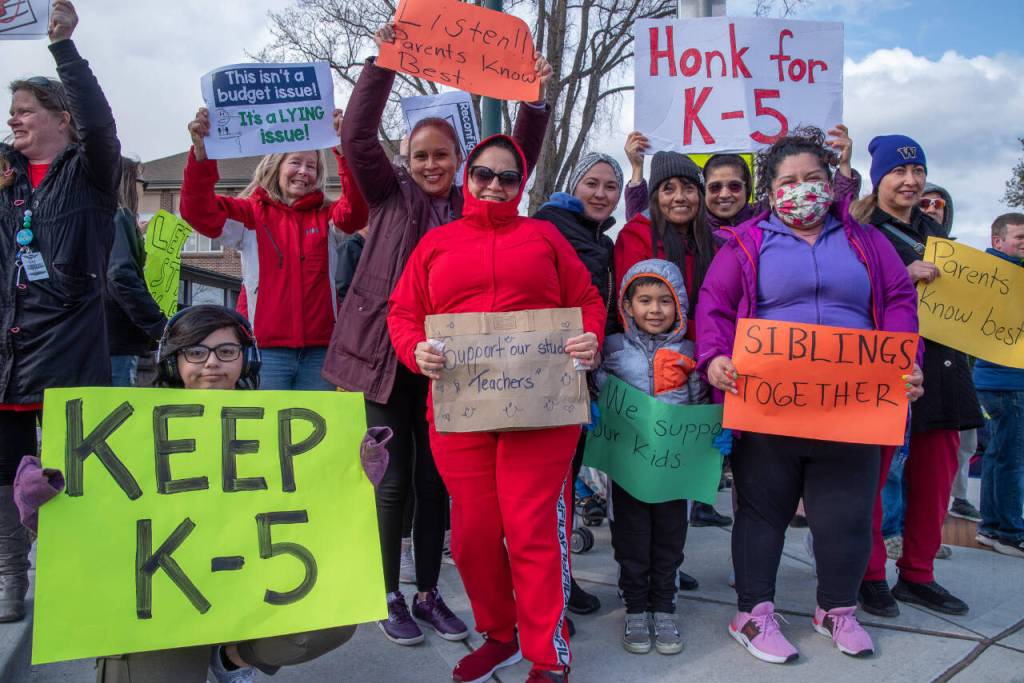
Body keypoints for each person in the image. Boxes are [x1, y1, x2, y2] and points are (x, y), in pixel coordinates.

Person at [323, 20, 553, 649]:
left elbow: (519, 159)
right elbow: (355, 134)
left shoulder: (474, 204)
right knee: (392, 480)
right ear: (405, 160)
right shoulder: (387, 195)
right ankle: (385, 592)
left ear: (460, 162)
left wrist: (533, 101)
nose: (431, 164)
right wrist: (383, 61)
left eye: (442, 156)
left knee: (436, 486)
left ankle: (428, 592)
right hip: (383, 359)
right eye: (420, 155)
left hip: (458, 368)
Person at [696, 127, 923, 664]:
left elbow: (896, 297)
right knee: (761, 510)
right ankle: (752, 613)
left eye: (814, 178)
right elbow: (715, 306)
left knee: (843, 512)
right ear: (771, 191)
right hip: (769, 403)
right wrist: (714, 357)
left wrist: (902, 358)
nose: (803, 189)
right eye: (790, 181)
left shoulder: (866, 242)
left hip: (853, 406)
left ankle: (837, 609)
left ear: (831, 184)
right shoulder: (747, 243)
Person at [387, 134, 606, 683]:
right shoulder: (437, 244)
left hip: (543, 410)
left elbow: (588, 302)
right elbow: (402, 313)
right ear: (468, 176)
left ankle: (546, 655)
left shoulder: (545, 237)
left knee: (531, 529)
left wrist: (589, 338)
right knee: (472, 535)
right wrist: (415, 350)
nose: (495, 185)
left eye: (508, 177)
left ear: (521, 184)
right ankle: (501, 634)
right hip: (464, 411)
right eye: (485, 173)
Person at [0, 0, 121, 623]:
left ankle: (77, 577)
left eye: (24, 110)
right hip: (8, 348)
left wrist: (63, 48)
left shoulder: (89, 170)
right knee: (3, 473)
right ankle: (10, 577)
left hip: (68, 347)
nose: (14, 119)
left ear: (59, 119)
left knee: (72, 472)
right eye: (11, 111)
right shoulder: (5, 176)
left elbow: (101, 126)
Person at [851, 135, 983, 618]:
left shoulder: (942, 239)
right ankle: (868, 576)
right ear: (878, 178)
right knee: (873, 480)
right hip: (885, 370)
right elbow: (845, 296)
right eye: (898, 173)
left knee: (935, 482)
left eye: (918, 172)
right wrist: (900, 278)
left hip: (944, 372)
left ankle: (919, 575)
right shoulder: (860, 233)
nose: (910, 181)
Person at [180, 106, 368, 390]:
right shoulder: (250, 215)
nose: (303, 172)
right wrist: (202, 156)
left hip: (319, 352)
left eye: (312, 166)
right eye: (296, 162)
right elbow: (197, 212)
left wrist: (344, 151)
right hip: (264, 350)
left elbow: (356, 213)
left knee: (316, 433)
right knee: (265, 433)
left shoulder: (327, 215)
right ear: (276, 164)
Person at [596, 258, 708, 656]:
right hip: (627, 467)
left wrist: (713, 437)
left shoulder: (690, 352)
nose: (655, 310)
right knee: (631, 539)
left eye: (665, 301)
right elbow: (597, 390)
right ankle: (635, 607)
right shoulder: (611, 348)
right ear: (627, 306)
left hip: (674, 471)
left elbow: (700, 403)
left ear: (679, 304)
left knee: (669, 540)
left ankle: (664, 605)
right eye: (645, 300)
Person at [533, 151, 624, 617]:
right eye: (592, 183)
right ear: (574, 184)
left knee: (565, 489)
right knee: (551, 491)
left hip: (580, 378)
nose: (601, 193)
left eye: (611, 186)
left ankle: (559, 582)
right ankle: (548, 589)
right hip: (543, 380)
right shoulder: (548, 226)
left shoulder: (599, 241)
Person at [973, 213, 1024, 558]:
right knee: (1010, 459)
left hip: (999, 382)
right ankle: (1007, 530)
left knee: (999, 455)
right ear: (998, 241)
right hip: (1006, 382)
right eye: (1020, 238)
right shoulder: (995, 278)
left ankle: (992, 527)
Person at [106, 157, 167, 386]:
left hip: (100, 337)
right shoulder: (120, 217)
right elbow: (120, 275)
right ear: (128, 183)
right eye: (143, 181)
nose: (143, 188)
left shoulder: (103, 217)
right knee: (121, 412)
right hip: (118, 338)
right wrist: (159, 324)